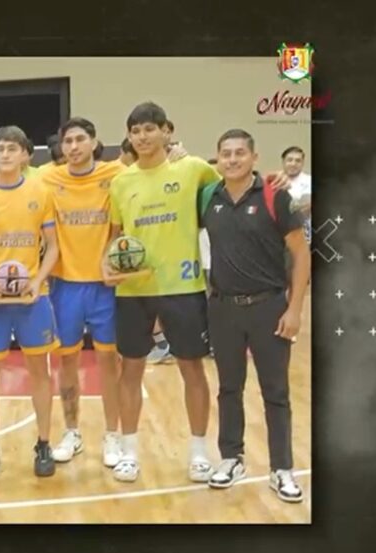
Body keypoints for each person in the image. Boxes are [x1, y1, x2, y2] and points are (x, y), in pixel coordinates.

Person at [106, 102, 290, 484]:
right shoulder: (121, 182)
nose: (142, 136)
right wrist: (107, 266)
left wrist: (276, 180)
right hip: (133, 290)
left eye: (149, 129)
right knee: (130, 369)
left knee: (192, 368)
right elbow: (114, 238)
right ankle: (128, 452)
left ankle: (199, 453)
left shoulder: (194, 170)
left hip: (184, 287)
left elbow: (238, 184)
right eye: (135, 130)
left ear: (166, 130)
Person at [202, 130, 309, 503]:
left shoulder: (275, 195)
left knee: (275, 392)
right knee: (229, 389)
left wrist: (295, 308)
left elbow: (301, 254)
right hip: (223, 309)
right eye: (225, 153)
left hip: (269, 308)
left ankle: (282, 469)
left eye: (240, 153)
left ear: (253, 157)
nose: (232, 159)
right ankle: (232, 458)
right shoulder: (207, 197)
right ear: (217, 158)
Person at [0, 126, 61, 478]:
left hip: (31, 299)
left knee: (40, 371)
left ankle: (43, 443)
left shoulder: (41, 191)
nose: (5, 154)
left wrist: (38, 282)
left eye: (12, 149)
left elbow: (52, 246)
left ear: (26, 155)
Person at [40, 118, 124, 468]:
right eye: (67, 141)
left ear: (93, 142)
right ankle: (72, 432)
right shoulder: (46, 177)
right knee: (67, 361)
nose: (73, 147)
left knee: (109, 360)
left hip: (106, 286)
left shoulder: (116, 173)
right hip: (65, 286)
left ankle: (112, 435)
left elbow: (157, 164)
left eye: (80, 139)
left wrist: (177, 152)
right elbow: (7, 181)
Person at [281, 146, 312, 243]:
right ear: (283, 162)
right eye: (290, 160)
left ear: (302, 163)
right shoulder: (274, 182)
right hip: (280, 237)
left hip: (304, 236)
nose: (293, 164)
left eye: (298, 161)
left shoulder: (310, 182)